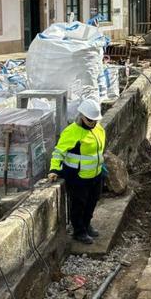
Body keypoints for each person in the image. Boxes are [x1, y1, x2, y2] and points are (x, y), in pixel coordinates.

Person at [48, 99, 106, 244]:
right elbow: (58, 152)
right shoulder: (71, 132)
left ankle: (87, 225)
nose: (93, 122)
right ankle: (79, 231)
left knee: (92, 202)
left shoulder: (98, 129)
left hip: (96, 174)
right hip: (78, 177)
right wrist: (54, 169)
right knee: (78, 205)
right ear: (81, 116)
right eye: (90, 120)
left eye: (95, 120)